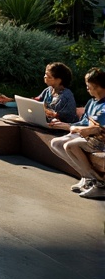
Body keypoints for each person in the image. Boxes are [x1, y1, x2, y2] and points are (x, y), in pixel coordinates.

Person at [48, 68, 105, 198]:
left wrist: (71, 128)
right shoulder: (92, 102)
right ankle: (87, 177)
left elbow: (94, 128)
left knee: (70, 145)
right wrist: (68, 126)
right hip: (87, 136)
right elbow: (85, 122)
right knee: (56, 143)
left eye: (88, 86)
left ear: (98, 86)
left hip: (98, 140)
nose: (87, 89)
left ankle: (98, 182)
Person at [0, 61, 78, 123]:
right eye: (45, 74)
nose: (45, 77)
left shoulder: (66, 95)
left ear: (59, 80)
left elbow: (69, 117)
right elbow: (34, 102)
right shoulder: (48, 90)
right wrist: (9, 101)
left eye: (48, 76)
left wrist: (52, 114)